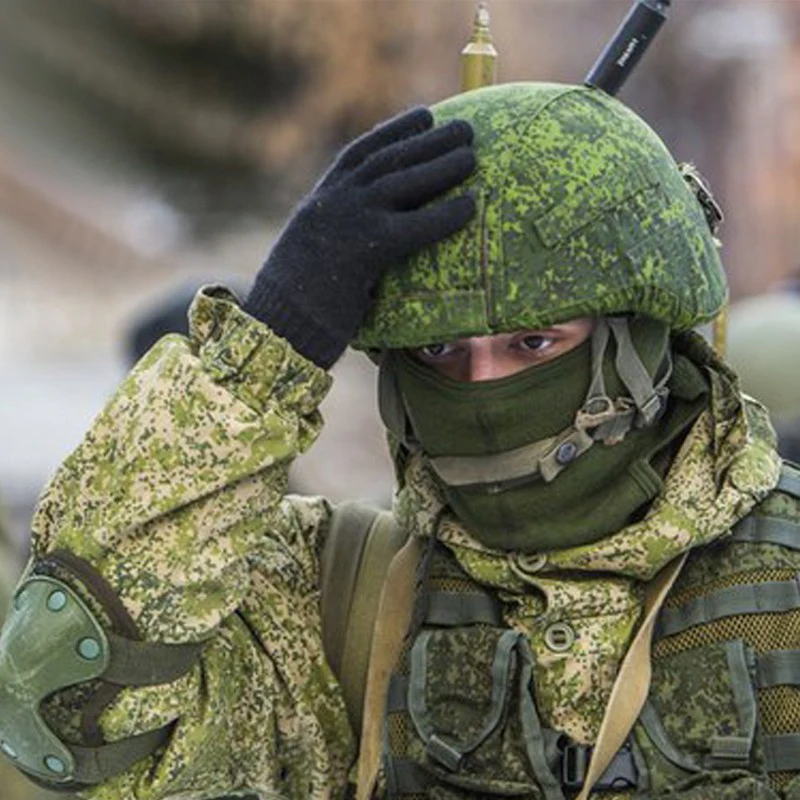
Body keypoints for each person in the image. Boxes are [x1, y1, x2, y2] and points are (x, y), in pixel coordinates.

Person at [0, 82, 798, 800]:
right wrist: (266, 351)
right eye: (439, 353)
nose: (482, 389)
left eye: (533, 345)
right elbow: (62, 703)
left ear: (638, 340)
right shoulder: (337, 600)